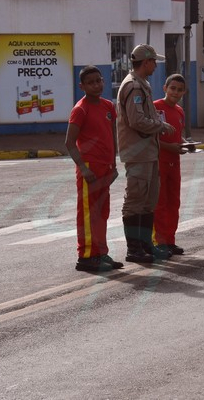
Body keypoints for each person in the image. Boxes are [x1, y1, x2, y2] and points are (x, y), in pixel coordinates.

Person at [117, 44, 176, 263]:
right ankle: (134, 249)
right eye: (153, 62)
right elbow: (136, 120)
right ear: (146, 62)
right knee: (135, 199)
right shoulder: (133, 86)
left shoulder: (142, 84)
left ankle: (145, 245)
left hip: (148, 151)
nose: (155, 65)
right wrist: (160, 126)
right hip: (137, 151)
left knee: (148, 200)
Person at [65, 65, 123, 273]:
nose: (96, 85)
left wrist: (114, 165)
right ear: (82, 86)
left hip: (106, 167)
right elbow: (69, 142)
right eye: (91, 82)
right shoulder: (80, 109)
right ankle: (87, 256)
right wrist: (83, 167)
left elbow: (112, 136)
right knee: (89, 213)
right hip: (89, 168)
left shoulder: (108, 106)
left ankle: (100, 253)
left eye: (98, 81)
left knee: (102, 212)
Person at [153, 74, 188, 256]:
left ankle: (170, 240)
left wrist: (185, 144)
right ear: (165, 88)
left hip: (175, 162)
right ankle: (159, 242)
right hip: (159, 163)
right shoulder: (155, 108)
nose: (175, 92)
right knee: (160, 202)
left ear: (184, 92)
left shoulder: (180, 111)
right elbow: (150, 138)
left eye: (179, 89)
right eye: (172, 88)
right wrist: (170, 147)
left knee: (174, 202)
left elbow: (177, 135)